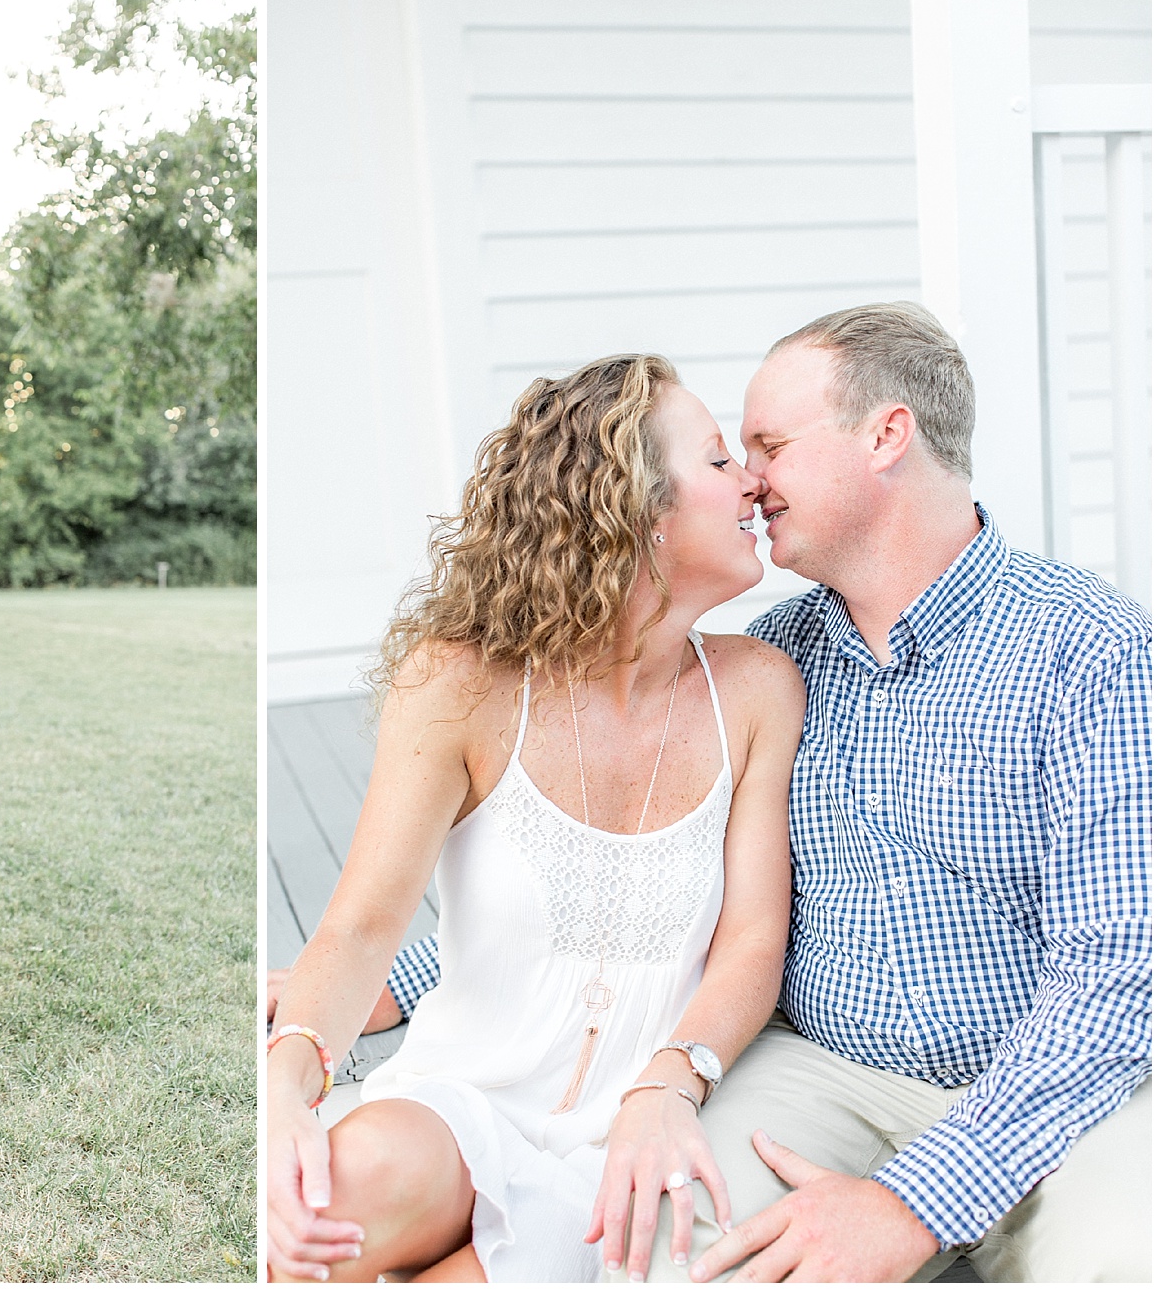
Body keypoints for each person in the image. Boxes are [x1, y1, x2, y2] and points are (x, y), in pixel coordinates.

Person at [284, 302, 1153, 1282]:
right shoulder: (777, 659)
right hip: (818, 1076)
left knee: (1124, 1260)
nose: (751, 477)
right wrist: (395, 984)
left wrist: (913, 1200)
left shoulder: (1090, 648)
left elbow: (1116, 979)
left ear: (886, 435)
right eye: (729, 454)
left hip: (1058, 1093)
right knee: (656, 1254)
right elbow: (622, 885)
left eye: (770, 445)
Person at [267, 354, 806, 1281]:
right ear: (638, 509)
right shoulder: (459, 682)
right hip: (461, 1101)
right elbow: (362, 925)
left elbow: (754, 939)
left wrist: (670, 1085)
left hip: (631, 1143)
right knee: (321, 1202)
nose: (754, 480)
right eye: (719, 460)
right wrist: (286, 1079)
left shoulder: (757, 690)